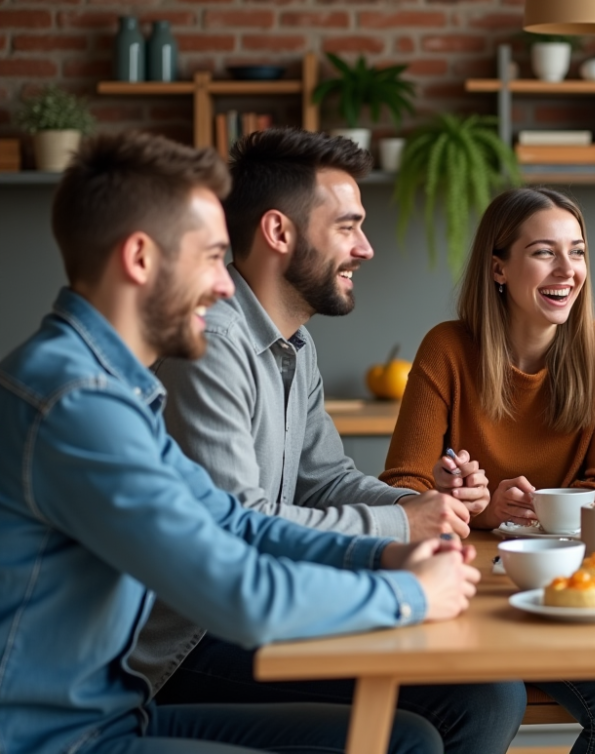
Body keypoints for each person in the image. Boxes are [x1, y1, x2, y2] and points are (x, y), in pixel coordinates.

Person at [0, 131, 480, 754]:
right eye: (210, 257)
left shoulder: (113, 388)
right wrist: (408, 592)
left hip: (119, 713)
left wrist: (384, 556)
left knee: (408, 737)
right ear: (141, 259)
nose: (227, 285)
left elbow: (230, 520)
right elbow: (241, 592)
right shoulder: (77, 403)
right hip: (61, 741)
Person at [131, 128, 523, 754]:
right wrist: (401, 529)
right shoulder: (210, 345)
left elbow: (327, 479)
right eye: (347, 227)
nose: (365, 248)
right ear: (279, 233)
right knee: (468, 701)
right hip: (191, 640)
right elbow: (238, 526)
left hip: (264, 606)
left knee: (487, 692)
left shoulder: (295, 344)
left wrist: (418, 506)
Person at [382, 187, 595, 754]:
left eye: (577, 252)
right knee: (490, 705)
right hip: (469, 588)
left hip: (566, 592)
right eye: (544, 252)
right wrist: (467, 505)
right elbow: (401, 488)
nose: (568, 270)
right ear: (499, 268)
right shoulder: (447, 348)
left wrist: (533, 511)